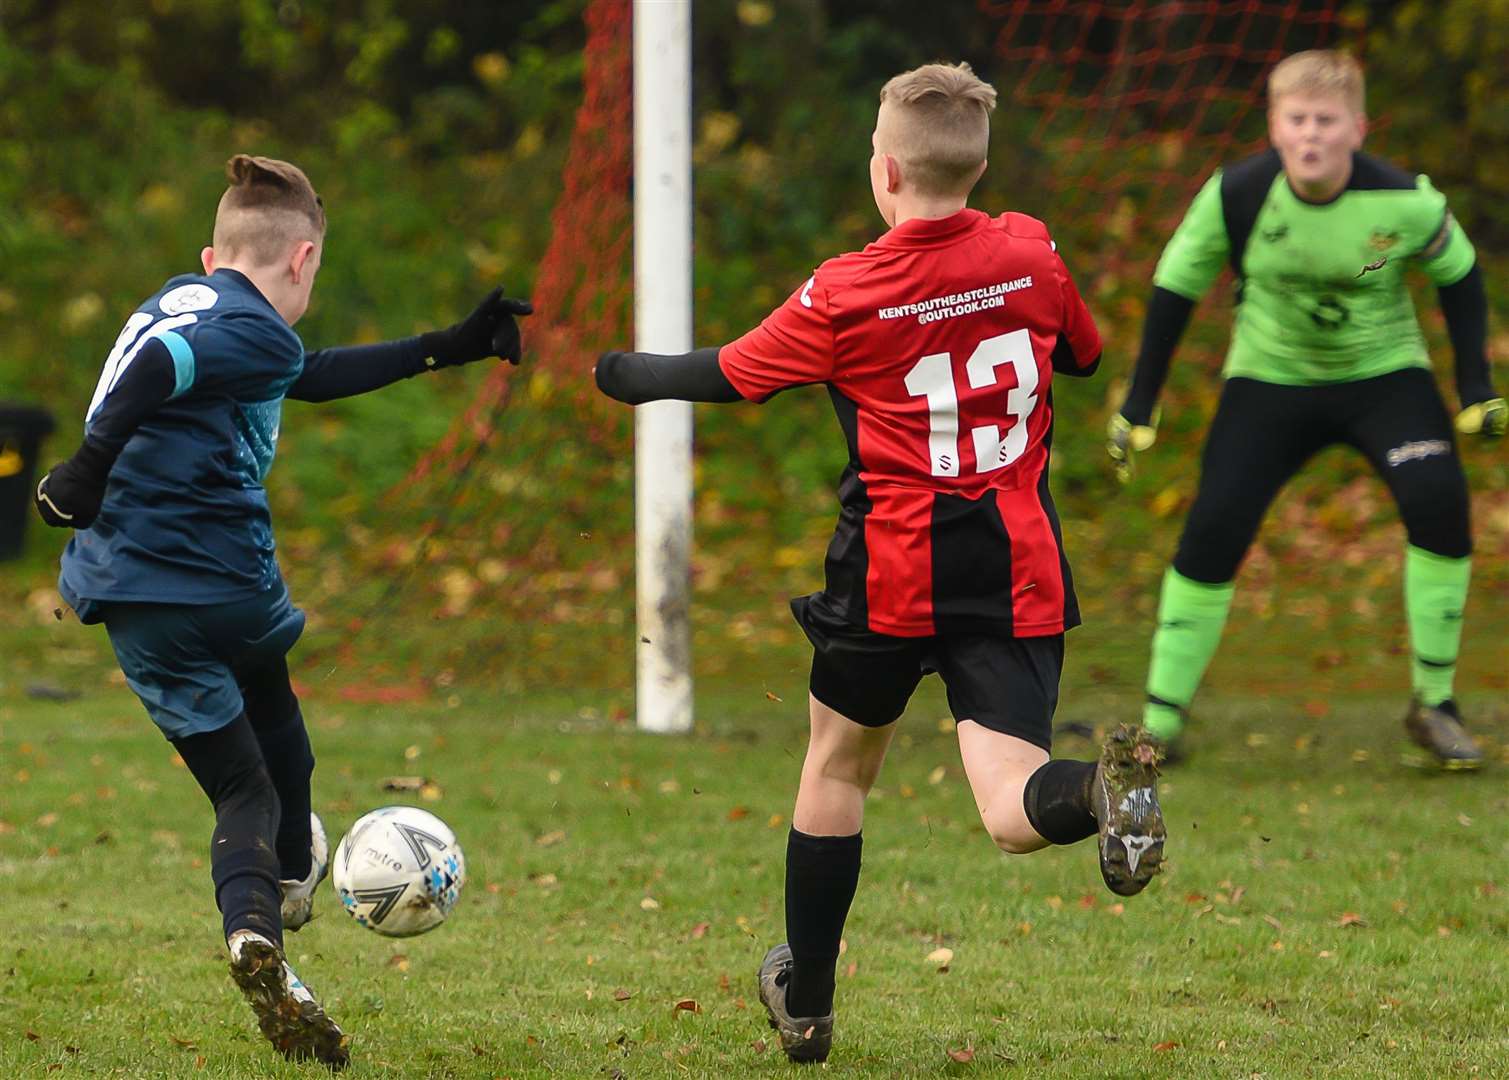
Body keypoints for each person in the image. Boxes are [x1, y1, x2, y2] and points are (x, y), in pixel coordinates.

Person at [596, 62, 1165, 1065]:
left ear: (885, 172)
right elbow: (1081, 355)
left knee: (838, 769)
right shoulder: (1031, 254)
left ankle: (807, 1002)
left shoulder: (848, 291)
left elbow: (730, 374)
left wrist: (622, 373)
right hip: (1018, 570)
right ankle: (1095, 796)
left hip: (893, 574)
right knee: (1009, 805)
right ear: (979, 166)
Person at [34, 154, 531, 1068]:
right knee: (269, 759)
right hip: (221, 580)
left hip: (128, 594)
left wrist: (447, 344)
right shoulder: (230, 334)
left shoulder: (186, 299)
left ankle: (262, 926)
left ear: (212, 255)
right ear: (301, 262)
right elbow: (170, 363)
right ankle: (290, 888)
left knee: (247, 778)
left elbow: (299, 370)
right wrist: (83, 469)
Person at [1107, 50, 1503, 768]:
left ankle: (1434, 707)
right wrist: (1139, 402)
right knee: (1213, 528)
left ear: (1357, 128)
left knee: (1438, 502)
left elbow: (1461, 276)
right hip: (1268, 381)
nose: (1310, 135)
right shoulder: (1236, 194)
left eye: (1325, 120)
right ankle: (1158, 724)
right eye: (1296, 119)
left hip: (1385, 379)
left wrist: (1475, 386)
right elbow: (1173, 291)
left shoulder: (1405, 201)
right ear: (1273, 127)